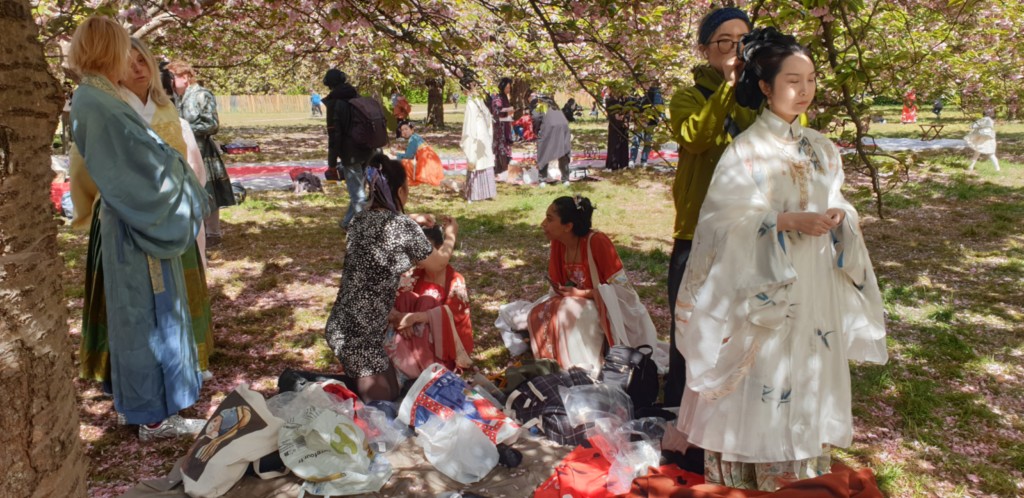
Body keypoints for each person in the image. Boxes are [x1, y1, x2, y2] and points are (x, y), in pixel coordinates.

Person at [674, 27, 888, 490]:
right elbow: (719, 224)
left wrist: (839, 214)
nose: (804, 90)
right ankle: (751, 477)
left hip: (813, 280)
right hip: (761, 283)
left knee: (809, 360)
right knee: (766, 368)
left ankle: (803, 477)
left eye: (810, 79)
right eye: (792, 80)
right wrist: (784, 222)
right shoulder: (745, 150)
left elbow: (838, 199)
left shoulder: (822, 148)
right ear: (766, 87)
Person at [68, 16, 209, 440]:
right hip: (137, 223)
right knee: (146, 319)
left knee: (152, 315)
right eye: (123, 48)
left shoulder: (100, 96)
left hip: (135, 220)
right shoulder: (96, 100)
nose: (131, 58)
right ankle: (152, 415)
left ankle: (155, 407)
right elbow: (135, 170)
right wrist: (181, 188)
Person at [663, 7, 756, 408]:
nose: (735, 48)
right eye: (724, 41)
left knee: (740, 327)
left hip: (748, 229)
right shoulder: (687, 96)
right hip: (696, 229)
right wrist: (727, 88)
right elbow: (695, 137)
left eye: (743, 41)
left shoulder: (759, 98)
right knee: (688, 326)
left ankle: (731, 411)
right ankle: (680, 414)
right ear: (705, 49)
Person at [324, 154, 459, 401]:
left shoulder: (359, 219)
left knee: (393, 392)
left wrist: (411, 218)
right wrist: (450, 235)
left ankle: (342, 388)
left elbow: (385, 227)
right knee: (381, 405)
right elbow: (437, 263)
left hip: (345, 325)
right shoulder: (401, 227)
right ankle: (308, 385)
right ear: (400, 191)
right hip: (358, 336)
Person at [528, 195, 635, 373]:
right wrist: (564, 291)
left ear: (568, 226)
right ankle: (552, 368)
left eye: (549, 219)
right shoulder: (558, 243)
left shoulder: (597, 242)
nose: (543, 224)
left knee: (567, 311)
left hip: (605, 307)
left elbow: (623, 291)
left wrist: (582, 294)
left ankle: (583, 370)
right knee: (537, 312)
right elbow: (557, 283)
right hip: (574, 300)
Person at [385, 224, 473, 379]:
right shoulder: (411, 275)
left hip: (436, 343)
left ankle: (419, 366)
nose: (420, 256)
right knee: (406, 298)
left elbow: (456, 316)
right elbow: (390, 303)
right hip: (406, 335)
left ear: (439, 250)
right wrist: (400, 317)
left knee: (427, 302)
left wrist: (414, 318)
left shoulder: (454, 279)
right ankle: (406, 365)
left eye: (427, 251)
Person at [167, 59, 235, 247]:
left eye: (173, 77)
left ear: (185, 77)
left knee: (207, 189)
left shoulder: (201, 95)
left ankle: (213, 233)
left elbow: (212, 124)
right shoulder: (175, 98)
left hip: (201, 149)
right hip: (181, 149)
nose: (170, 82)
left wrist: (183, 128)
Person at [322, 69, 374, 229]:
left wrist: (331, 162)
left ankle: (364, 229)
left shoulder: (335, 104)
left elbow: (334, 135)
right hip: (367, 150)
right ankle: (347, 223)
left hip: (351, 154)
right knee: (358, 189)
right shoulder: (357, 98)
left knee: (357, 193)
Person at [460, 74, 497, 202]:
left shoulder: (471, 102)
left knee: (475, 161)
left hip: (476, 134)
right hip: (484, 134)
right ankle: (486, 192)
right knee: (483, 160)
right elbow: (488, 118)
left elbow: (469, 124)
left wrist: (467, 139)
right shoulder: (479, 100)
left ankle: (474, 194)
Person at [533, 96, 572, 185]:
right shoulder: (556, 107)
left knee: (544, 152)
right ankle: (565, 180)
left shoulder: (541, 107)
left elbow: (535, 118)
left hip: (549, 129)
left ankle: (542, 180)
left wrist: (536, 130)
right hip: (563, 131)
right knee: (563, 153)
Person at [395, 121, 443, 186]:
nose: (404, 132)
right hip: (433, 161)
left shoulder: (412, 139)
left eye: (406, 129)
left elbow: (409, 156)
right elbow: (414, 150)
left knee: (404, 162)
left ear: (412, 130)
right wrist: (404, 148)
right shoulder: (415, 137)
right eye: (402, 130)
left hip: (427, 164)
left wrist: (396, 154)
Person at [630, 84, 664, 168]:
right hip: (639, 120)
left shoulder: (654, 91)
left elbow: (659, 105)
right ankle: (632, 160)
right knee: (636, 140)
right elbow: (631, 104)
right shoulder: (636, 91)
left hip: (650, 121)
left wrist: (660, 117)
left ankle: (644, 161)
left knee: (648, 141)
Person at [490, 77, 515, 176]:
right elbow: (496, 111)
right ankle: (501, 169)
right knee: (501, 148)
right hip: (500, 127)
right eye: (507, 87)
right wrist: (507, 111)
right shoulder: (498, 98)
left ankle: (504, 168)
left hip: (506, 125)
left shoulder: (504, 97)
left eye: (509, 88)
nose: (508, 90)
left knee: (506, 148)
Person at [604, 90, 630, 170]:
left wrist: (625, 119)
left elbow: (628, 112)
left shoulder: (625, 100)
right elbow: (611, 114)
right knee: (613, 143)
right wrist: (617, 117)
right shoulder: (610, 100)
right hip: (614, 125)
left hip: (624, 125)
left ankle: (623, 164)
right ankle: (613, 164)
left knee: (623, 143)